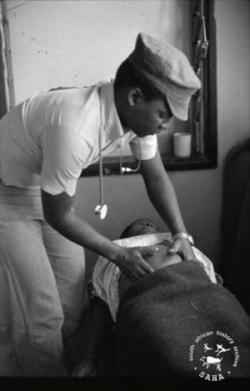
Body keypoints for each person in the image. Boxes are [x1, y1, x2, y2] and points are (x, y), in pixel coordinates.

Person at [0, 33, 201, 376]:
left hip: (42, 186)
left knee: (73, 300)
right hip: (7, 193)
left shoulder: (135, 119)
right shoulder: (75, 127)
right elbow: (58, 214)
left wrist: (182, 233)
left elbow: (155, 177)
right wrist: (119, 254)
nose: (166, 125)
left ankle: (75, 365)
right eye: (164, 115)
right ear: (135, 97)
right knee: (43, 313)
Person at [73, 219, 250, 378]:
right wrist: (90, 357)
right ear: (126, 238)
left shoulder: (183, 246)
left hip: (197, 295)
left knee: (233, 333)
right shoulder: (114, 255)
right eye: (138, 225)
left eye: (151, 224)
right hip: (149, 305)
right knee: (165, 348)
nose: (146, 223)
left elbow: (211, 285)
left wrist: (217, 297)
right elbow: (100, 305)